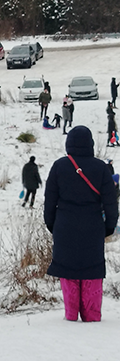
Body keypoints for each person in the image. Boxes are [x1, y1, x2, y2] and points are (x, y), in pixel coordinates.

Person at [44, 125, 119, 321]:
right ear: (91, 144)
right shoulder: (101, 168)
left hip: (65, 225)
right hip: (93, 226)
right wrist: (109, 227)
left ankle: (70, 315)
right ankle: (92, 316)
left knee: (68, 271)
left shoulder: (59, 166)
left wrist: (53, 225)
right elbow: (111, 202)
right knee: (92, 271)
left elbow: (50, 200)